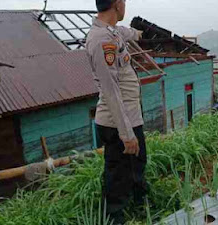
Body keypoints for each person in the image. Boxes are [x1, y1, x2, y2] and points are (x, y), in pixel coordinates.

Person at [86, 0, 146, 224]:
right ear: (118, 3)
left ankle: (140, 204)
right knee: (118, 173)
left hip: (129, 116)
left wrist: (141, 33)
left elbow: (127, 32)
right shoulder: (101, 41)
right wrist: (126, 133)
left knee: (137, 163)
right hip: (117, 122)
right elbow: (111, 91)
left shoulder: (112, 32)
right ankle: (113, 217)